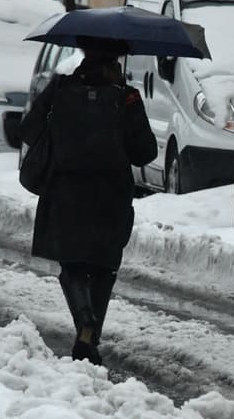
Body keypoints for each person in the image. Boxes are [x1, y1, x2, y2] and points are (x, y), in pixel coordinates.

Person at [20, 36, 157, 365]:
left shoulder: (60, 89)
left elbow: (27, 130)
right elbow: (145, 153)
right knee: (103, 266)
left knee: (73, 263)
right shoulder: (125, 98)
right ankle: (90, 335)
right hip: (111, 196)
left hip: (65, 191)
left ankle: (85, 321)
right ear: (116, 61)